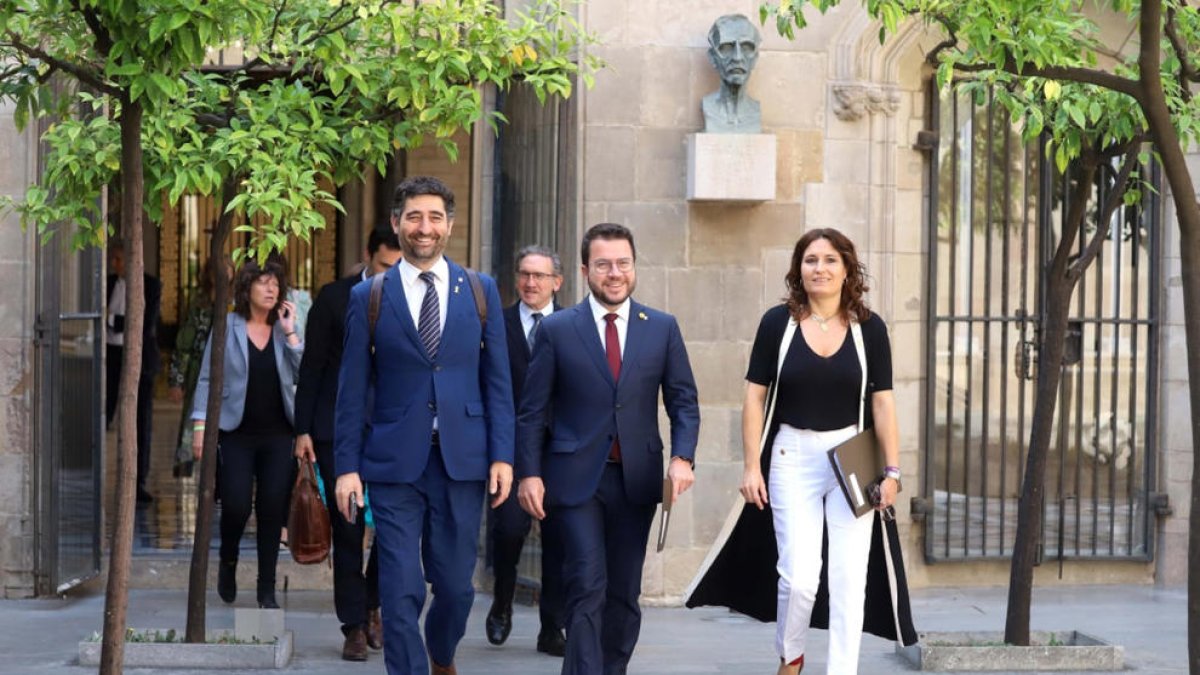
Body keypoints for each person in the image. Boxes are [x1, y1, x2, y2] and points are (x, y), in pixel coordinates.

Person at [686, 228, 917, 674]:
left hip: (855, 456)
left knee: (850, 579)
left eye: (830, 260)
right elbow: (754, 396)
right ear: (799, 269)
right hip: (792, 456)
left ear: (847, 269)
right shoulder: (779, 323)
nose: (820, 268)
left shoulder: (870, 329)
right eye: (811, 260)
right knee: (799, 578)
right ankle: (790, 657)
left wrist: (892, 471)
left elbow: (883, 403)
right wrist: (752, 465)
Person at [334, 176, 514, 675]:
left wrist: (503, 455)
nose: (424, 227)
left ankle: (441, 654)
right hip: (393, 463)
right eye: (414, 216)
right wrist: (346, 467)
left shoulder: (480, 291)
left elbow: (498, 382)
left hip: (463, 460)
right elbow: (351, 390)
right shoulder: (369, 297)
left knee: (456, 586)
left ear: (450, 225)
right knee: (399, 586)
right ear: (397, 223)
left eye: (435, 217)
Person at [516, 222, 701, 675]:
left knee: (623, 594)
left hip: (635, 481)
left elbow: (683, 401)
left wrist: (683, 458)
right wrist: (529, 473)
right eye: (603, 265)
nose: (614, 273)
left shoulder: (661, 328)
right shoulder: (558, 329)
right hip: (574, 481)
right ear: (585, 271)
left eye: (622, 263)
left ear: (634, 267)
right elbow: (532, 410)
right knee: (586, 584)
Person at [294, 223, 401, 661]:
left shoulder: (410, 299)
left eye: (396, 268)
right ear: (366, 255)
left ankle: (374, 604)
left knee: (392, 527)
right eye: (382, 265)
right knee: (348, 527)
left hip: (393, 431)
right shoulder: (334, 298)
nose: (388, 275)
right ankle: (353, 625)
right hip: (337, 430)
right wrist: (303, 429)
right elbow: (313, 365)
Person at [191, 256, 303, 609]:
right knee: (236, 505)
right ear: (247, 288)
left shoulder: (286, 328)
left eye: (276, 283)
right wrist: (199, 426)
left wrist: (291, 333)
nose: (271, 289)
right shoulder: (227, 325)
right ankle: (228, 560)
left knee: (272, 508)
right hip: (235, 432)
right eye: (263, 282)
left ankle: (266, 587)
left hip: (279, 434)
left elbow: (304, 375)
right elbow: (209, 377)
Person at [485, 245, 566, 657]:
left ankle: (552, 626)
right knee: (509, 530)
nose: (531, 283)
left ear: (558, 282)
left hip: (560, 452)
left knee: (558, 539)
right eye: (524, 274)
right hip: (511, 450)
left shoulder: (573, 325)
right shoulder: (495, 325)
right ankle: (502, 600)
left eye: (539, 276)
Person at [106, 240, 163, 504]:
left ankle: (138, 480)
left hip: (139, 357)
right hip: (110, 355)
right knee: (106, 412)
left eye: (120, 259)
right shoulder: (106, 283)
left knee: (141, 420)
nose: (115, 265)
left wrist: (112, 321)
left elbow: (143, 322)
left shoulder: (151, 286)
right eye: (113, 259)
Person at [168, 258, 219, 478]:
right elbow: (184, 345)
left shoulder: (239, 303)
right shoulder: (200, 303)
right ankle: (186, 462)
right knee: (193, 417)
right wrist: (176, 380)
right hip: (199, 372)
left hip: (231, 375)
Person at [701, 14, 763, 133]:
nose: (737, 57)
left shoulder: (755, 111)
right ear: (713, 58)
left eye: (746, 48)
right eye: (727, 48)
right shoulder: (708, 107)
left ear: (755, 59)